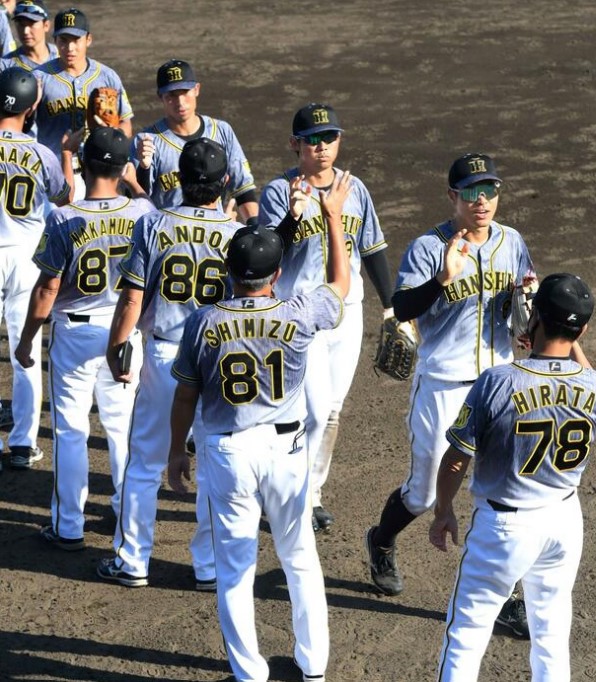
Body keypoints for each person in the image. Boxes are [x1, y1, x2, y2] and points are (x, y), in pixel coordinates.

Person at [96, 139, 305, 590]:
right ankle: (208, 566)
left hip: (163, 354)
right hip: (217, 354)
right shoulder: (237, 234)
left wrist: (117, 345)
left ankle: (132, 560)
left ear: (181, 179)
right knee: (212, 464)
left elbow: (132, 297)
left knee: (145, 461)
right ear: (225, 181)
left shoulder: (153, 223)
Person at [167, 172, 351, 682]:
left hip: (228, 453)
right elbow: (340, 286)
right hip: (287, 450)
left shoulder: (203, 321)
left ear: (229, 271)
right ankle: (313, 666)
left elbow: (185, 395)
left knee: (235, 568)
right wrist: (333, 217)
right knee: (300, 556)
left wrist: (177, 451)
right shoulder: (298, 312)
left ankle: (250, 674)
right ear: (277, 274)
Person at [364, 152, 534, 635]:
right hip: (442, 386)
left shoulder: (512, 241)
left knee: (501, 492)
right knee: (423, 494)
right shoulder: (427, 247)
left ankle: (506, 596)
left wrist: (528, 309)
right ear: (452, 196)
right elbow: (402, 308)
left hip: (499, 384)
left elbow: (524, 296)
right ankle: (381, 539)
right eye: (472, 192)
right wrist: (442, 279)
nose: (482, 201)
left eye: (490, 190)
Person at [429, 273, 596, 681]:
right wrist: (569, 337)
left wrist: (443, 510)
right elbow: (592, 392)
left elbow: (457, 459)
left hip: (504, 528)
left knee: (466, 635)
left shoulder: (497, 382)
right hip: (564, 522)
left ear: (534, 318)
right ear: (583, 330)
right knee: (551, 636)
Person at [14, 127, 153, 550]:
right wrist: (135, 181)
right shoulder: (143, 213)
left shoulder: (63, 218)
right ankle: (124, 514)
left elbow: (47, 289)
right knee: (122, 427)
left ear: (84, 165)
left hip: (74, 333)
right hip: (124, 330)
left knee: (71, 430)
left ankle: (69, 525)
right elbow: (146, 206)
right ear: (123, 167)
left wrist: (27, 339)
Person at [259, 102, 394, 532]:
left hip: (347, 314)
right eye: (312, 139)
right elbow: (267, 256)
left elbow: (372, 249)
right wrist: (293, 215)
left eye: (329, 138)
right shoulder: (278, 191)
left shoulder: (356, 189)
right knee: (313, 413)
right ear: (295, 144)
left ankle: (311, 492)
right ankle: (287, 493)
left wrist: (392, 307)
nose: (321, 146)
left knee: (332, 410)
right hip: (301, 316)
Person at [0, 66, 70, 470]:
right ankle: (24, 444)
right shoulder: (42, 153)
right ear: (31, 108)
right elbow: (63, 198)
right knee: (23, 350)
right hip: (28, 260)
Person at [132, 59, 257, 221]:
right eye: (171, 95)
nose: (180, 102)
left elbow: (243, 189)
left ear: (196, 89)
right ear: (160, 96)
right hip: (168, 232)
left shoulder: (222, 131)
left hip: (214, 229)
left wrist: (254, 228)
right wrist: (144, 168)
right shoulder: (146, 141)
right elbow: (136, 202)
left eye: (185, 92)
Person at [35, 8, 133, 158]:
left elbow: (126, 124)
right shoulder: (39, 77)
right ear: (55, 41)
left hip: (97, 165)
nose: (70, 48)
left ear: (88, 40)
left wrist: (113, 134)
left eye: (76, 40)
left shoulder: (107, 77)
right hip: (53, 165)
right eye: (63, 40)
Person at [0, 1, 57, 72]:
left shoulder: (64, 57)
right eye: (21, 24)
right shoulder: (5, 66)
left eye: (31, 24)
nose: (25, 31)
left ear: (46, 25)